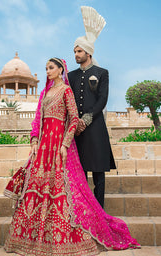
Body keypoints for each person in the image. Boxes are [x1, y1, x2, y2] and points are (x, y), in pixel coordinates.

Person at [4, 58, 140, 256]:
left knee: (63, 189)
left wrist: (65, 144)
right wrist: (33, 140)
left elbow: (74, 118)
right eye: (46, 68)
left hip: (59, 145)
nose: (47, 72)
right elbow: (37, 120)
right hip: (43, 147)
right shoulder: (44, 93)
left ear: (61, 70)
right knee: (39, 188)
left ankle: (64, 238)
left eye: (51, 68)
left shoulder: (66, 91)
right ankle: (36, 238)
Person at [68, 6, 116, 208]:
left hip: (95, 127)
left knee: (98, 172)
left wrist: (87, 119)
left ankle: (100, 211)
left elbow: (102, 100)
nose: (76, 54)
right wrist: (73, 122)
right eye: (75, 51)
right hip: (76, 130)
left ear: (88, 52)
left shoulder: (102, 73)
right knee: (80, 172)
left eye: (79, 51)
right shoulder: (71, 76)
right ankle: (84, 211)